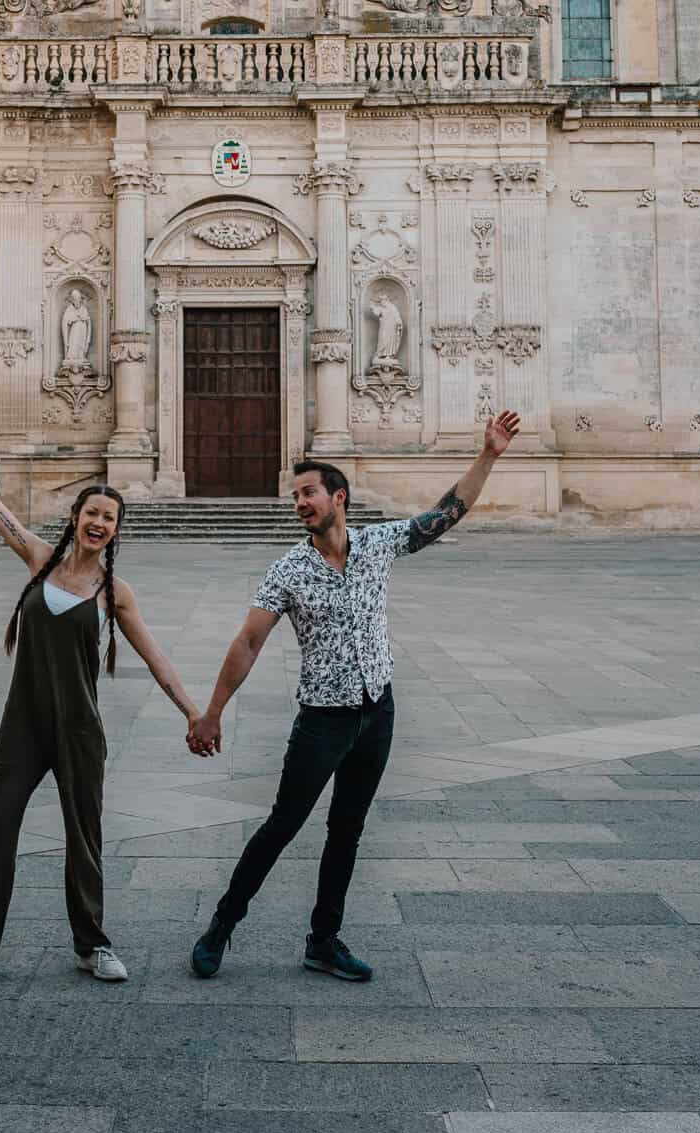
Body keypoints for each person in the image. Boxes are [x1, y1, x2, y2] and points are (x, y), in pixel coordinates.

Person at [186, 411, 520, 982]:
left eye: (309, 492)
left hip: (377, 711)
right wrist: (212, 712)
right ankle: (220, 927)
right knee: (282, 826)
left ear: (338, 497)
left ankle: (324, 940)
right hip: (322, 720)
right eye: (295, 496)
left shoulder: (377, 544)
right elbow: (247, 641)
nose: (300, 503)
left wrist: (488, 454)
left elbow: (446, 514)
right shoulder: (288, 570)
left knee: (348, 829)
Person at [0, 431, 205, 988]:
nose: (100, 523)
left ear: (116, 531)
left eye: (110, 519)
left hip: (78, 730)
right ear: (76, 517)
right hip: (22, 726)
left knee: (85, 837)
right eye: (93, 513)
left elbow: (157, 657)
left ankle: (92, 943)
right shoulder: (40, 560)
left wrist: (194, 712)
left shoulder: (114, 592)